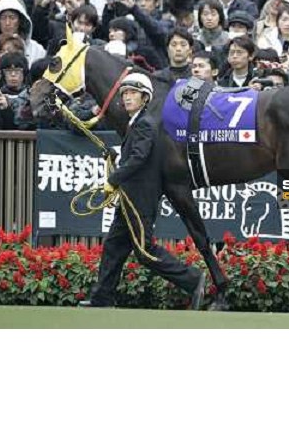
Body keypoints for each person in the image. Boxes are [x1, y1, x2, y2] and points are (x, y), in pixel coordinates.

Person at [80, 73, 206, 309]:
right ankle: (101, 298)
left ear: (145, 97)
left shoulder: (145, 124)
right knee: (114, 247)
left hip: (140, 199)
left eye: (133, 93)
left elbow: (140, 158)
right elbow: (136, 156)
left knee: (145, 251)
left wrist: (113, 180)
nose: (127, 97)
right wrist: (117, 157)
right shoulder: (138, 123)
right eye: (125, 93)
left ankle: (193, 279)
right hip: (131, 197)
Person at [0, 0, 46, 65]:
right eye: (3, 18)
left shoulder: (36, 50)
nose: (7, 23)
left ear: (20, 21)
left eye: (12, 18)